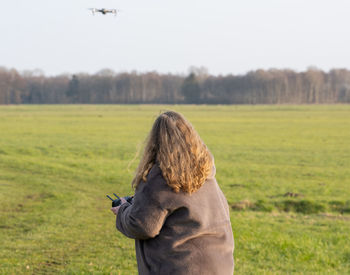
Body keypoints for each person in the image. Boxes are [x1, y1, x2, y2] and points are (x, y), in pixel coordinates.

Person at [111, 111, 234, 275]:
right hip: (220, 266)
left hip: (182, 268)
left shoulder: (158, 179)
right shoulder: (205, 174)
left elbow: (142, 226)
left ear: (155, 142)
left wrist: (123, 211)